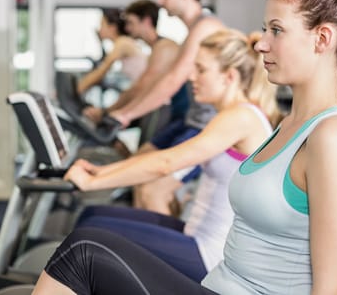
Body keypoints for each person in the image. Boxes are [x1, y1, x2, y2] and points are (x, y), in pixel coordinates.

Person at [32, 0, 337, 295]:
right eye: (264, 29)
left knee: (83, 254)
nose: (260, 44)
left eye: (276, 30)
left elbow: (335, 287)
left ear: (322, 39)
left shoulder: (333, 136)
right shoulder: (287, 126)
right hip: (216, 283)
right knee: (86, 246)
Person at [63, 29, 279, 282]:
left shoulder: (241, 117)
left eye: (201, 69)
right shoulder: (230, 116)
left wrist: (92, 183)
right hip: (195, 234)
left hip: (210, 256)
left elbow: (166, 164)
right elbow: (166, 158)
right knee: (91, 216)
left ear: (228, 77)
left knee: (90, 234)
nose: (191, 76)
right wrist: (100, 172)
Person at [108, 0, 226, 215]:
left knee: (153, 189)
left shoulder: (206, 27)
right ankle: (143, 243)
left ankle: (163, 251)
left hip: (206, 126)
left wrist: (127, 114)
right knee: (138, 164)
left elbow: (173, 80)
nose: (160, 1)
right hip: (188, 120)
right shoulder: (193, 29)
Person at [83, 0, 188, 127]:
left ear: (147, 21)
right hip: (162, 108)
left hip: (172, 111)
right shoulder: (155, 49)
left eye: (131, 23)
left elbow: (142, 86)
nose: (127, 28)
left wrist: (110, 111)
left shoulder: (164, 48)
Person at [76, 8, 147, 95]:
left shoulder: (122, 43)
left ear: (112, 27)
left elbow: (101, 71)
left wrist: (76, 90)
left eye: (102, 24)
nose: (99, 29)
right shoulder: (123, 42)